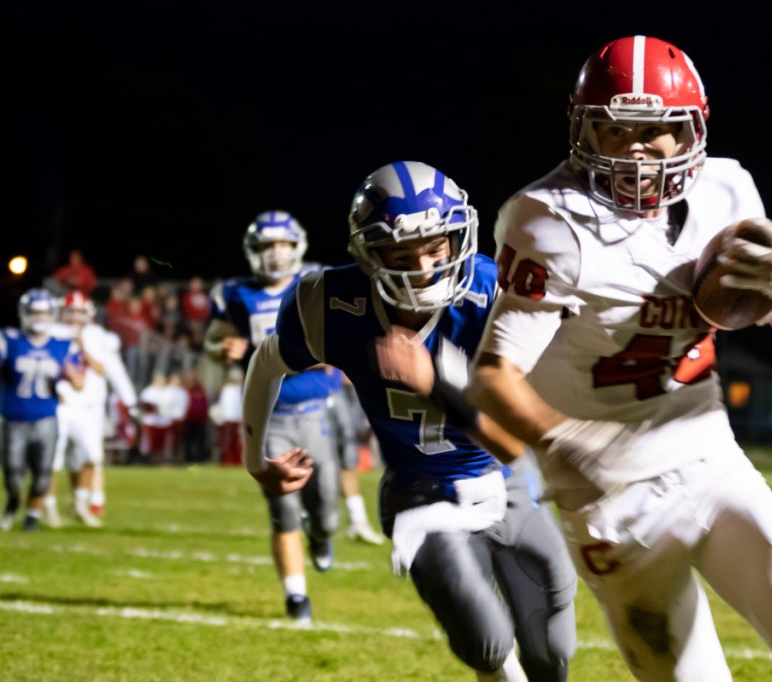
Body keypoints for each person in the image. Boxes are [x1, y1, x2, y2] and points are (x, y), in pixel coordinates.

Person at [468, 36, 772, 682]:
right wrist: (561, 438)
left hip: (709, 460)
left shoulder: (729, 192)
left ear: (692, 130)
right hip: (609, 496)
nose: (635, 146)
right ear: (583, 129)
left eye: (656, 128)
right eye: (614, 126)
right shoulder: (549, 220)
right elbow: (492, 376)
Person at [242, 161, 577, 681]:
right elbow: (267, 365)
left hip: (507, 482)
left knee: (551, 646)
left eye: (435, 248)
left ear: (458, 237)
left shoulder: (495, 292)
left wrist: (438, 385)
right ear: (370, 256)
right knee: (487, 642)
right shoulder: (332, 303)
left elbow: (515, 443)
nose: (422, 267)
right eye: (401, 254)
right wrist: (253, 458)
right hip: (421, 497)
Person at [205, 210, 347, 623]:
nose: (275, 254)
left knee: (325, 508)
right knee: (282, 507)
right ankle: (296, 596)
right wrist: (223, 351)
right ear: (253, 252)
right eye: (267, 246)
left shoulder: (318, 281)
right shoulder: (235, 293)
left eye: (282, 244)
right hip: (269, 415)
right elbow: (214, 342)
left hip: (316, 411)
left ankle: (321, 537)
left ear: (296, 246)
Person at [47, 291, 138, 526]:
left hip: (88, 408)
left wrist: (130, 401)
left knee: (91, 456)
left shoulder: (98, 336)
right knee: (53, 460)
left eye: (80, 311)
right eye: (71, 311)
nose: (76, 316)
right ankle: (48, 506)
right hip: (59, 405)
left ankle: (81, 502)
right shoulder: (51, 333)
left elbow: (108, 370)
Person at [0, 289, 84, 531]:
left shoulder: (63, 345)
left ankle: (32, 515)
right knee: (13, 475)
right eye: (34, 313)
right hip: (13, 417)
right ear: (24, 314)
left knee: (43, 474)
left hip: (46, 417)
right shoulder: (8, 340)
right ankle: (13, 502)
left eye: (44, 313)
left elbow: (79, 384)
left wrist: (71, 375)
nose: (39, 318)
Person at [324, 366, 384, 545]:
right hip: (314, 397)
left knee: (348, 456)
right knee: (320, 461)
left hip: (339, 390)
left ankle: (358, 521)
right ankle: (315, 521)